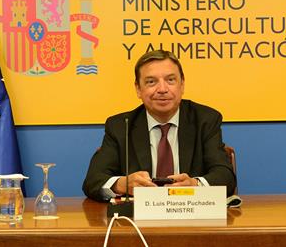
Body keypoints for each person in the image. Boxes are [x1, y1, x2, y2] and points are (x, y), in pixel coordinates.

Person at [82, 50, 236, 202]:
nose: (162, 89)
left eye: (170, 80)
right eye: (151, 82)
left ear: (182, 84)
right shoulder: (121, 126)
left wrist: (195, 185)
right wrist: (121, 184)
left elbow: (225, 176)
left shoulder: (205, 120)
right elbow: (93, 180)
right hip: (137, 222)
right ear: (138, 89)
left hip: (193, 218)